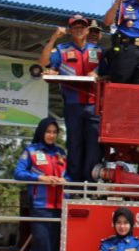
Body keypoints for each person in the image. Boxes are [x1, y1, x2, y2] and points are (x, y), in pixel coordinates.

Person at [39, 15, 104, 183]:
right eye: (75, 27)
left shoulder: (97, 51)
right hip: (73, 105)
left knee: (94, 147)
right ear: (69, 30)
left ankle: (91, 185)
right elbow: (44, 62)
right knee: (74, 145)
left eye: (82, 26)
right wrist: (54, 38)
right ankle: (74, 186)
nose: (79, 29)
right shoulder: (62, 49)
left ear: (87, 30)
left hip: (94, 106)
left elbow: (109, 75)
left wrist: (98, 75)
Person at [13, 117, 69, 251]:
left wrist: (63, 180)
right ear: (41, 132)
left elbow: (69, 175)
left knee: (55, 245)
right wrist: (40, 178)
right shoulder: (31, 151)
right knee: (42, 244)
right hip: (40, 205)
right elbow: (18, 173)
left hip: (60, 206)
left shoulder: (61, 153)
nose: (51, 135)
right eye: (48, 131)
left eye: (54, 132)